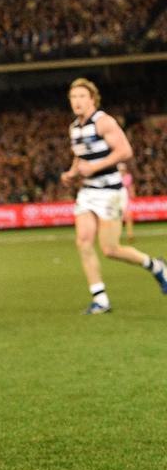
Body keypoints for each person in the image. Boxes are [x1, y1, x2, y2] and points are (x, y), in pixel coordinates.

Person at [60, 79, 167, 314]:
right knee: (83, 242)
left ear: (92, 99)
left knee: (110, 249)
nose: (76, 101)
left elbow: (125, 151)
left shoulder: (103, 121)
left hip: (110, 191)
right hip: (88, 191)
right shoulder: (74, 128)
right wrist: (71, 173)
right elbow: (80, 157)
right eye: (73, 97)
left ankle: (156, 265)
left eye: (81, 96)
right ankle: (100, 299)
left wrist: (95, 167)